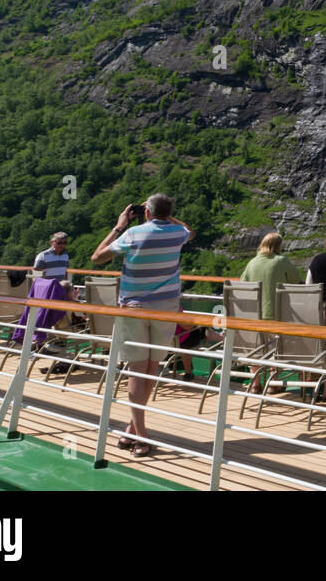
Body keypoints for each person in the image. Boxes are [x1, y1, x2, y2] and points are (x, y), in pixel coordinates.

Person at [90, 195, 191, 457]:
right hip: (166, 308)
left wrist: (119, 225)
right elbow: (189, 230)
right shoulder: (177, 233)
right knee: (150, 369)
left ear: (146, 212)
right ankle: (133, 429)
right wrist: (166, 216)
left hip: (134, 307)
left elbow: (97, 257)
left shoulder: (133, 234)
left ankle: (140, 434)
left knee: (137, 370)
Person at [239, 232, 300, 322]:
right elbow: (296, 281)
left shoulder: (252, 262)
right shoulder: (282, 261)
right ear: (277, 246)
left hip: (255, 315)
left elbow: (243, 285)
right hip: (279, 315)